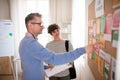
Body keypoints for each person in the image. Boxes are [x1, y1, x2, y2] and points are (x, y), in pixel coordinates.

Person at [19, 13, 95, 80]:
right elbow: (53, 58)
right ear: (30, 25)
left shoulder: (27, 42)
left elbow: (32, 62)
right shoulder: (30, 43)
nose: (43, 27)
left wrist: (45, 67)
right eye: (40, 24)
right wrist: (83, 50)